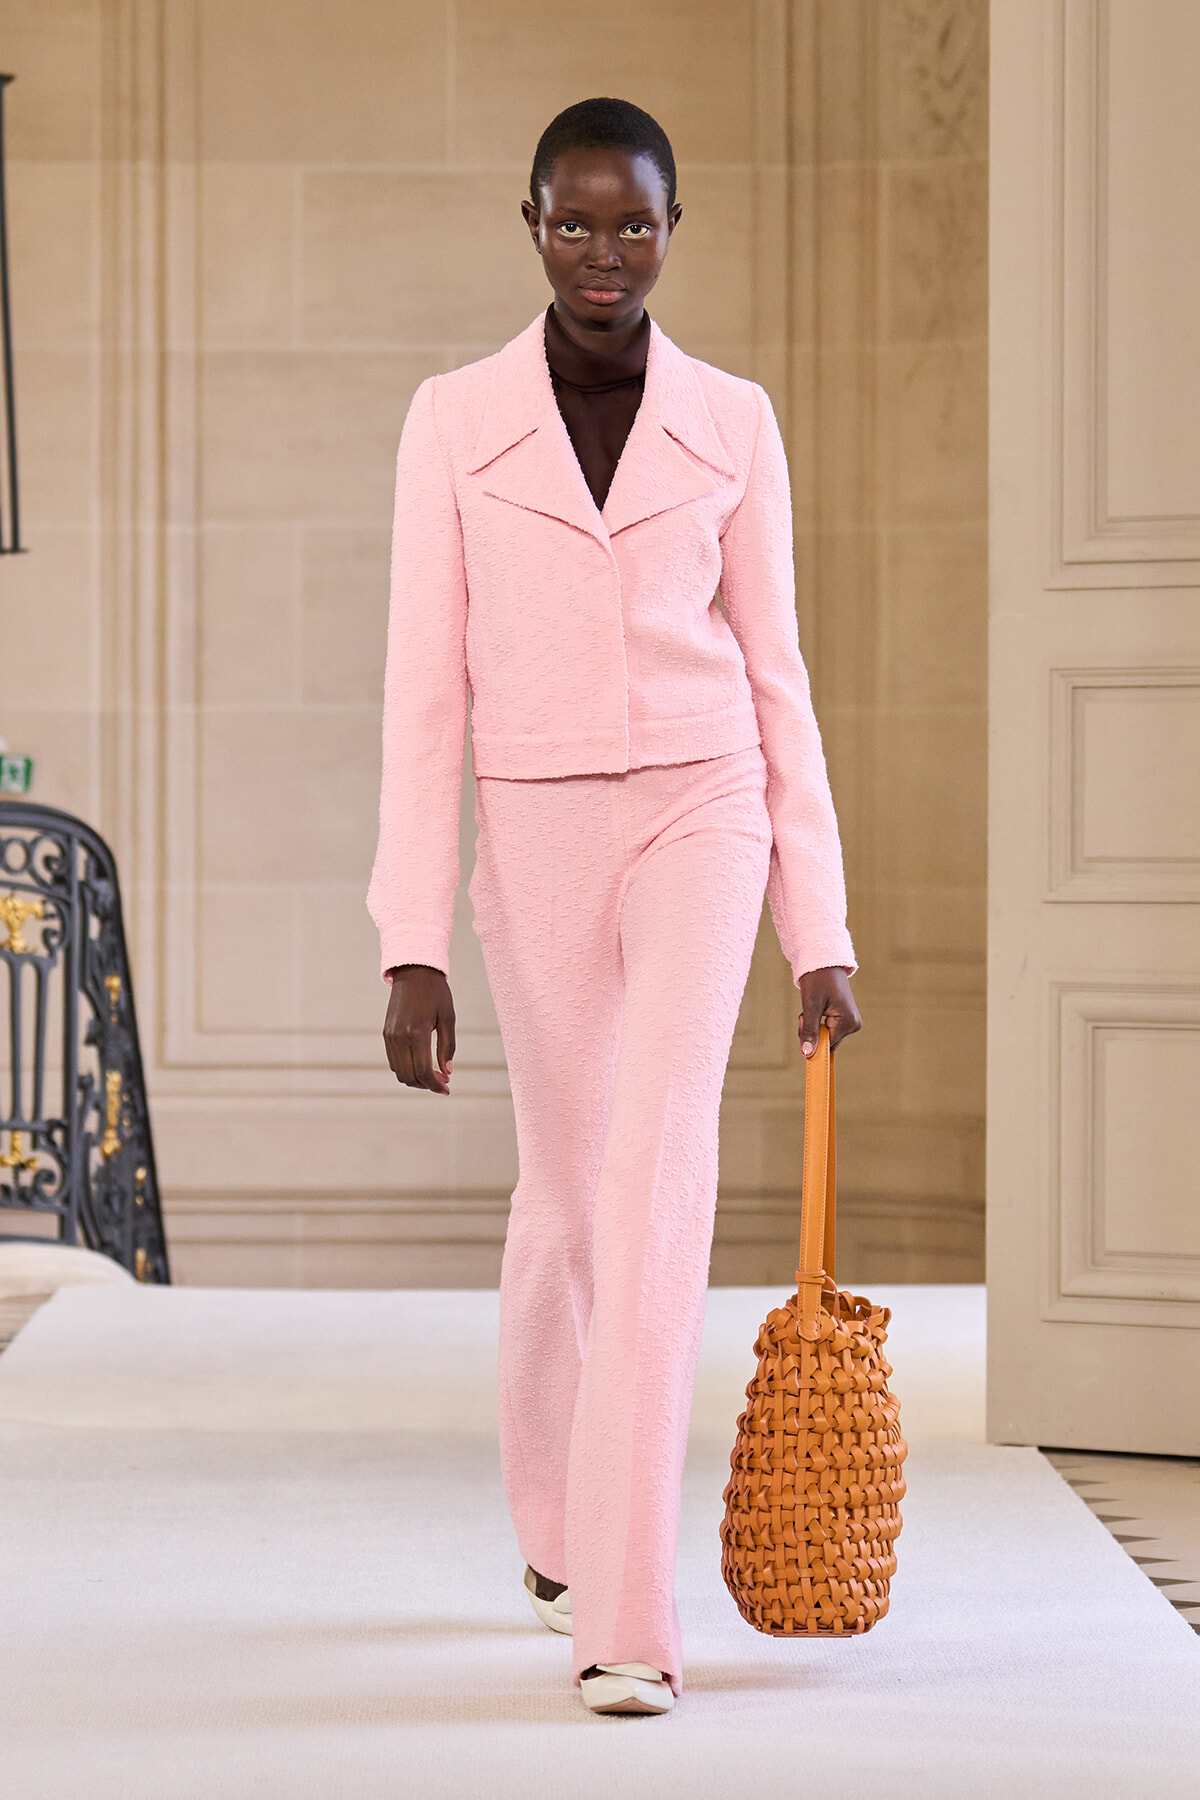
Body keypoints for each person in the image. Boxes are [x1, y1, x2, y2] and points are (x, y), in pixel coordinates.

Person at [367, 97, 860, 1716]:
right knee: (570, 1196)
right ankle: (559, 1524)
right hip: (538, 831)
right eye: (573, 223)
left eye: (633, 224)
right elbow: (420, 695)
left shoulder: (734, 419)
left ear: (671, 229)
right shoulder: (451, 420)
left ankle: (627, 1619)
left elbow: (779, 681)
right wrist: (412, 938)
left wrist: (822, 925)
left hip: (706, 813)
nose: (603, 253)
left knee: (655, 1182)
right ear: (529, 223)